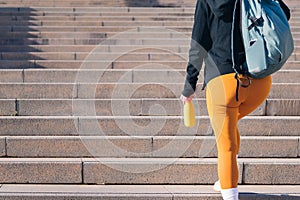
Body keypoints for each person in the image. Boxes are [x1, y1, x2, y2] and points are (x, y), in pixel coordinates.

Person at [180, 0, 290, 199]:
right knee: (229, 126)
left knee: (226, 146)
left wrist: (189, 85)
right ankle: (224, 180)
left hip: (222, 83)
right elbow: (284, 13)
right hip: (259, 82)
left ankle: (230, 193)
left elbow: (198, 44)